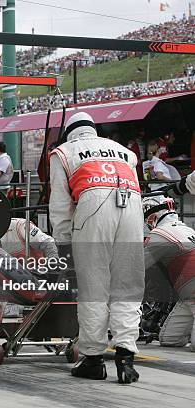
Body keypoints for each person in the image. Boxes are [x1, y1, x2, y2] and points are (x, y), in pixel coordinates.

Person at [49, 112, 144, 384]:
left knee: (94, 288)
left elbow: (59, 205)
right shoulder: (125, 152)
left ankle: (92, 359)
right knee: (127, 286)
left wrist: (65, 244)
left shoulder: (63, 152)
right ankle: (126, 359)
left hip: (93, 209)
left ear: (69, 133)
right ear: (94, 130)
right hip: (131, 208)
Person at [142, 196, 195, 351]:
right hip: (187, 297)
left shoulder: (160, 233)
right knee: (169, 340)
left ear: (152, 216)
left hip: (190, 291)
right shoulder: (187, 229)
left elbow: (137, 266)